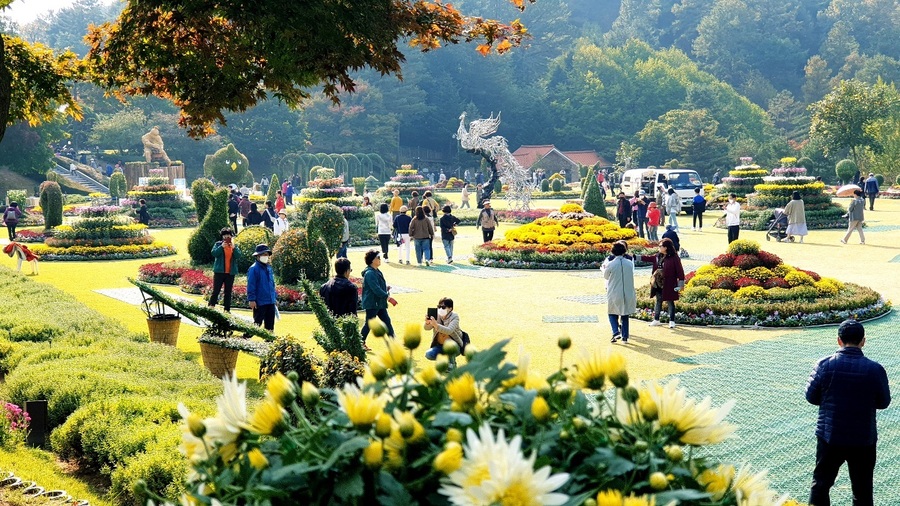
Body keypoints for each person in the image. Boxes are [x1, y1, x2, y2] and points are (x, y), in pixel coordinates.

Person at [806, 319, 890, 506]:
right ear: (863, 341)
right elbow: (884, 402)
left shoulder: (824, 365)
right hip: (863, 439)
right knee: (862, 491)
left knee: (820, 485)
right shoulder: (875, 369)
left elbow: (811, 397)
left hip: (829, 436)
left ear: (839, 340)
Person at [641, 238, 684, 329]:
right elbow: (647, 258)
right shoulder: (658, 256)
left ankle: (672, 321)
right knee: (658, 300)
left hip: (669, 283)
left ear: (666, 247)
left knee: (670, 301)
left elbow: (680, 272)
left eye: (660, 246)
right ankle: (656, 319)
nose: (659, 247)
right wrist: (633, 256)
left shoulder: (674, 257)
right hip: (657, 283)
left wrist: (680, 285)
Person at [360, 249, 397, 343]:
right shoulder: (370, 273)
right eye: (378, 257)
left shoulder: (375, 271)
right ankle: (360, 342)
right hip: (373, 303)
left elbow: (377, 286)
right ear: (372, 260)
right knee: (369, 324)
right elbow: (375, 289)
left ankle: (393, 341)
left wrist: (385, 288)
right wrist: (388, 298)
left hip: (378, 303)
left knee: (387, 321)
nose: (380, 259)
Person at [604, 241, 636, 343]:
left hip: (614, 291)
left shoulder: (610, 264)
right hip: (628, 291)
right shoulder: (629, 263)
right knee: (625, 314)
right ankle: (625, 337)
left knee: (612, 313)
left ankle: (615, 332)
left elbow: (606, 276)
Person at [208, 227, 242, 312]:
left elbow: (238, 256)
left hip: (230, 273)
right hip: (219, 272)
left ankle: (227, 310)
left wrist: (234, 248)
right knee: (216, 290)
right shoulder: (218, 244)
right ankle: (211, 306)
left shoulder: (234, 246)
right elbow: (214, 253)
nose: (226, 237)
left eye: (228, 235)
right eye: (224, 235)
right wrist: (221, 247)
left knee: (228, 292)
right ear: (222, 236)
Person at [424, 297, 464, 367]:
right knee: (429, 354)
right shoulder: (437, 315)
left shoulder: (455, 317)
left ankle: (452, 364)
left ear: (450, 308)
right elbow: (426, 328)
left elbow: (449, 330)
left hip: (454, 347)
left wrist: (436, 325)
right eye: (439, 307)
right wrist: (427, 323)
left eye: (443, 307)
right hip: (440, 346)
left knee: (449, 343)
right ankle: (444, 360)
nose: (440, 309)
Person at [246, 244, 277, 332]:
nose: (265, 257)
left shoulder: (269, 268)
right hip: (260, 302)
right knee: (257, 324)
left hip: (270, 301)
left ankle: (269, 342)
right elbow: (251, 285)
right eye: (263, 254)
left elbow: (272, 284)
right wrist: (251, 299)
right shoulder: (253, 269)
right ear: (258, 256)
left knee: (270, 325)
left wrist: (274, 297)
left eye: (267, 254)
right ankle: (245, 338)